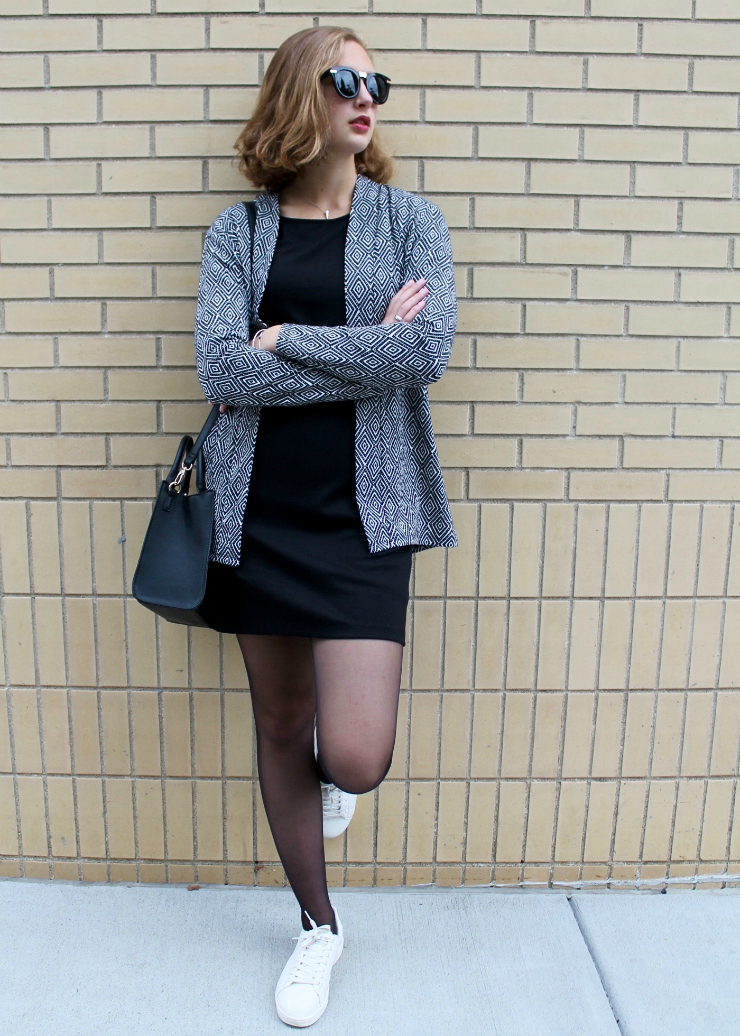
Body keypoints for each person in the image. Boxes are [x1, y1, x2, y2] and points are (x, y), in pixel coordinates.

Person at [193, 25, 458, 1028]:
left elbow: (422, 352)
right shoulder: (238, 233)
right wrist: (363, 345)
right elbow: (221, 369)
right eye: (345, 79)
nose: (366, 97)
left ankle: (328, 786)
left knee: (352, 753)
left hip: (364, 515)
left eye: (375, 80)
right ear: (298, 95)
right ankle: (316, 924)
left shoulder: (409, 221)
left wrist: (287, 339)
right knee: (275, 723)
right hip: (256, 515)